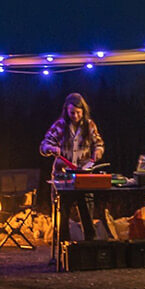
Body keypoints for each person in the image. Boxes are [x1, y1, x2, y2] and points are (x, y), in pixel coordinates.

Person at [40, 92, 105, 242]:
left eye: (78, 113)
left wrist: (97, 152)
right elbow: (43, 145)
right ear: (67, 111)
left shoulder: (89, 125)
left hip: (84, 175)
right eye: (72, 113)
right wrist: (51, 148)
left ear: (83, 111)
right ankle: (64, 246)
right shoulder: (60, 125)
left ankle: (90, 244)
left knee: (87, 212)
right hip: (63, 176)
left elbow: (99, 144)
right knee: (63, 213)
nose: (75, 116)